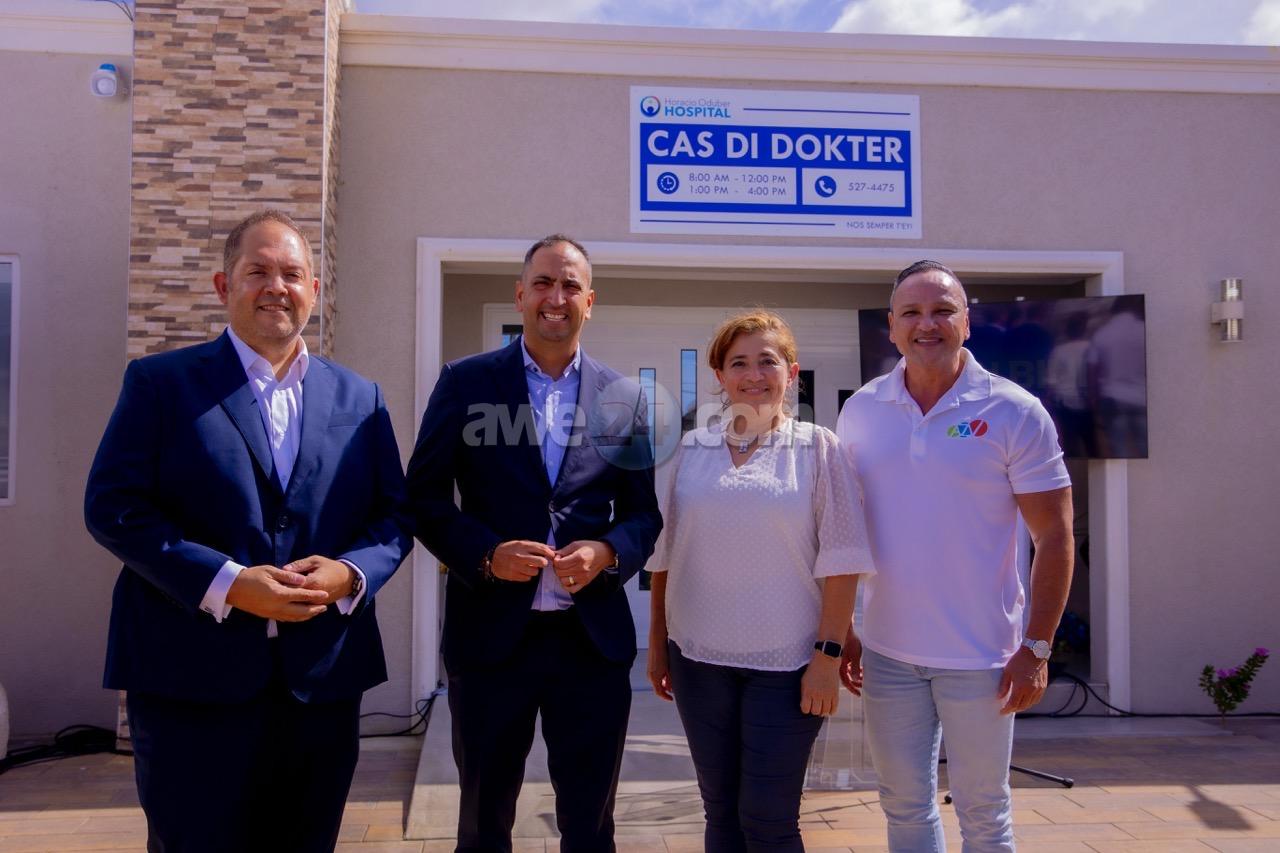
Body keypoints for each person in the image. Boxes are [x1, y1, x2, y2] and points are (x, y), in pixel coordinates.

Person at [84, 209, 413, 852]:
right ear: (223, 285)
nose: (276, 287)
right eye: (257, 271)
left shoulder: (360, 398)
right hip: (188, 684)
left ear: (314, 289)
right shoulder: (160, 384)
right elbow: (112, 507)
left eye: (291, 274)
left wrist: (350, 573)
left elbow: (395, 516)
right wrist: (229, 583)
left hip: (320, 688)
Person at [406, 235, 662, 853]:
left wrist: (606, 553)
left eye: (571, 285)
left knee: (591, 826)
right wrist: (485, 553)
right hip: (491, 642)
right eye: (544, 283)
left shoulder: (622, 397)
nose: (556, 297)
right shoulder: (465, 382)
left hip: (590, 644)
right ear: (520, 294)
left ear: (590, 301)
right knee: (483, 823)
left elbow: (642, 515)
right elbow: (422, 499)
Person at [836, 260, 1074, 852]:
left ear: (966, 322)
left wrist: (1037, 647)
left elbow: (1055, 536)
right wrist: (845, 628)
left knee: (984, 813)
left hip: (984, 659)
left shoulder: (1015, 410)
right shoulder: (860, 410)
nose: (927, 324)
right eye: (912, 313)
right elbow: (842, 529)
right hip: (887, 654)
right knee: (903, 807)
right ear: (891, 327)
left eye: (943, 311)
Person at [647, 310, 874, 852]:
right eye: (738, 363)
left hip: (788, 666)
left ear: (791, 372)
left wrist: (826, 658)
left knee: (768, 820)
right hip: (698, 661)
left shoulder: (817, 448)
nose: (753, 375)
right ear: (720, 376)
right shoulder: (691, 450)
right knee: (721, 814)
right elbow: (665, 557)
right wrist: (657, 646)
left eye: (767, 361)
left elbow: (843, 560)